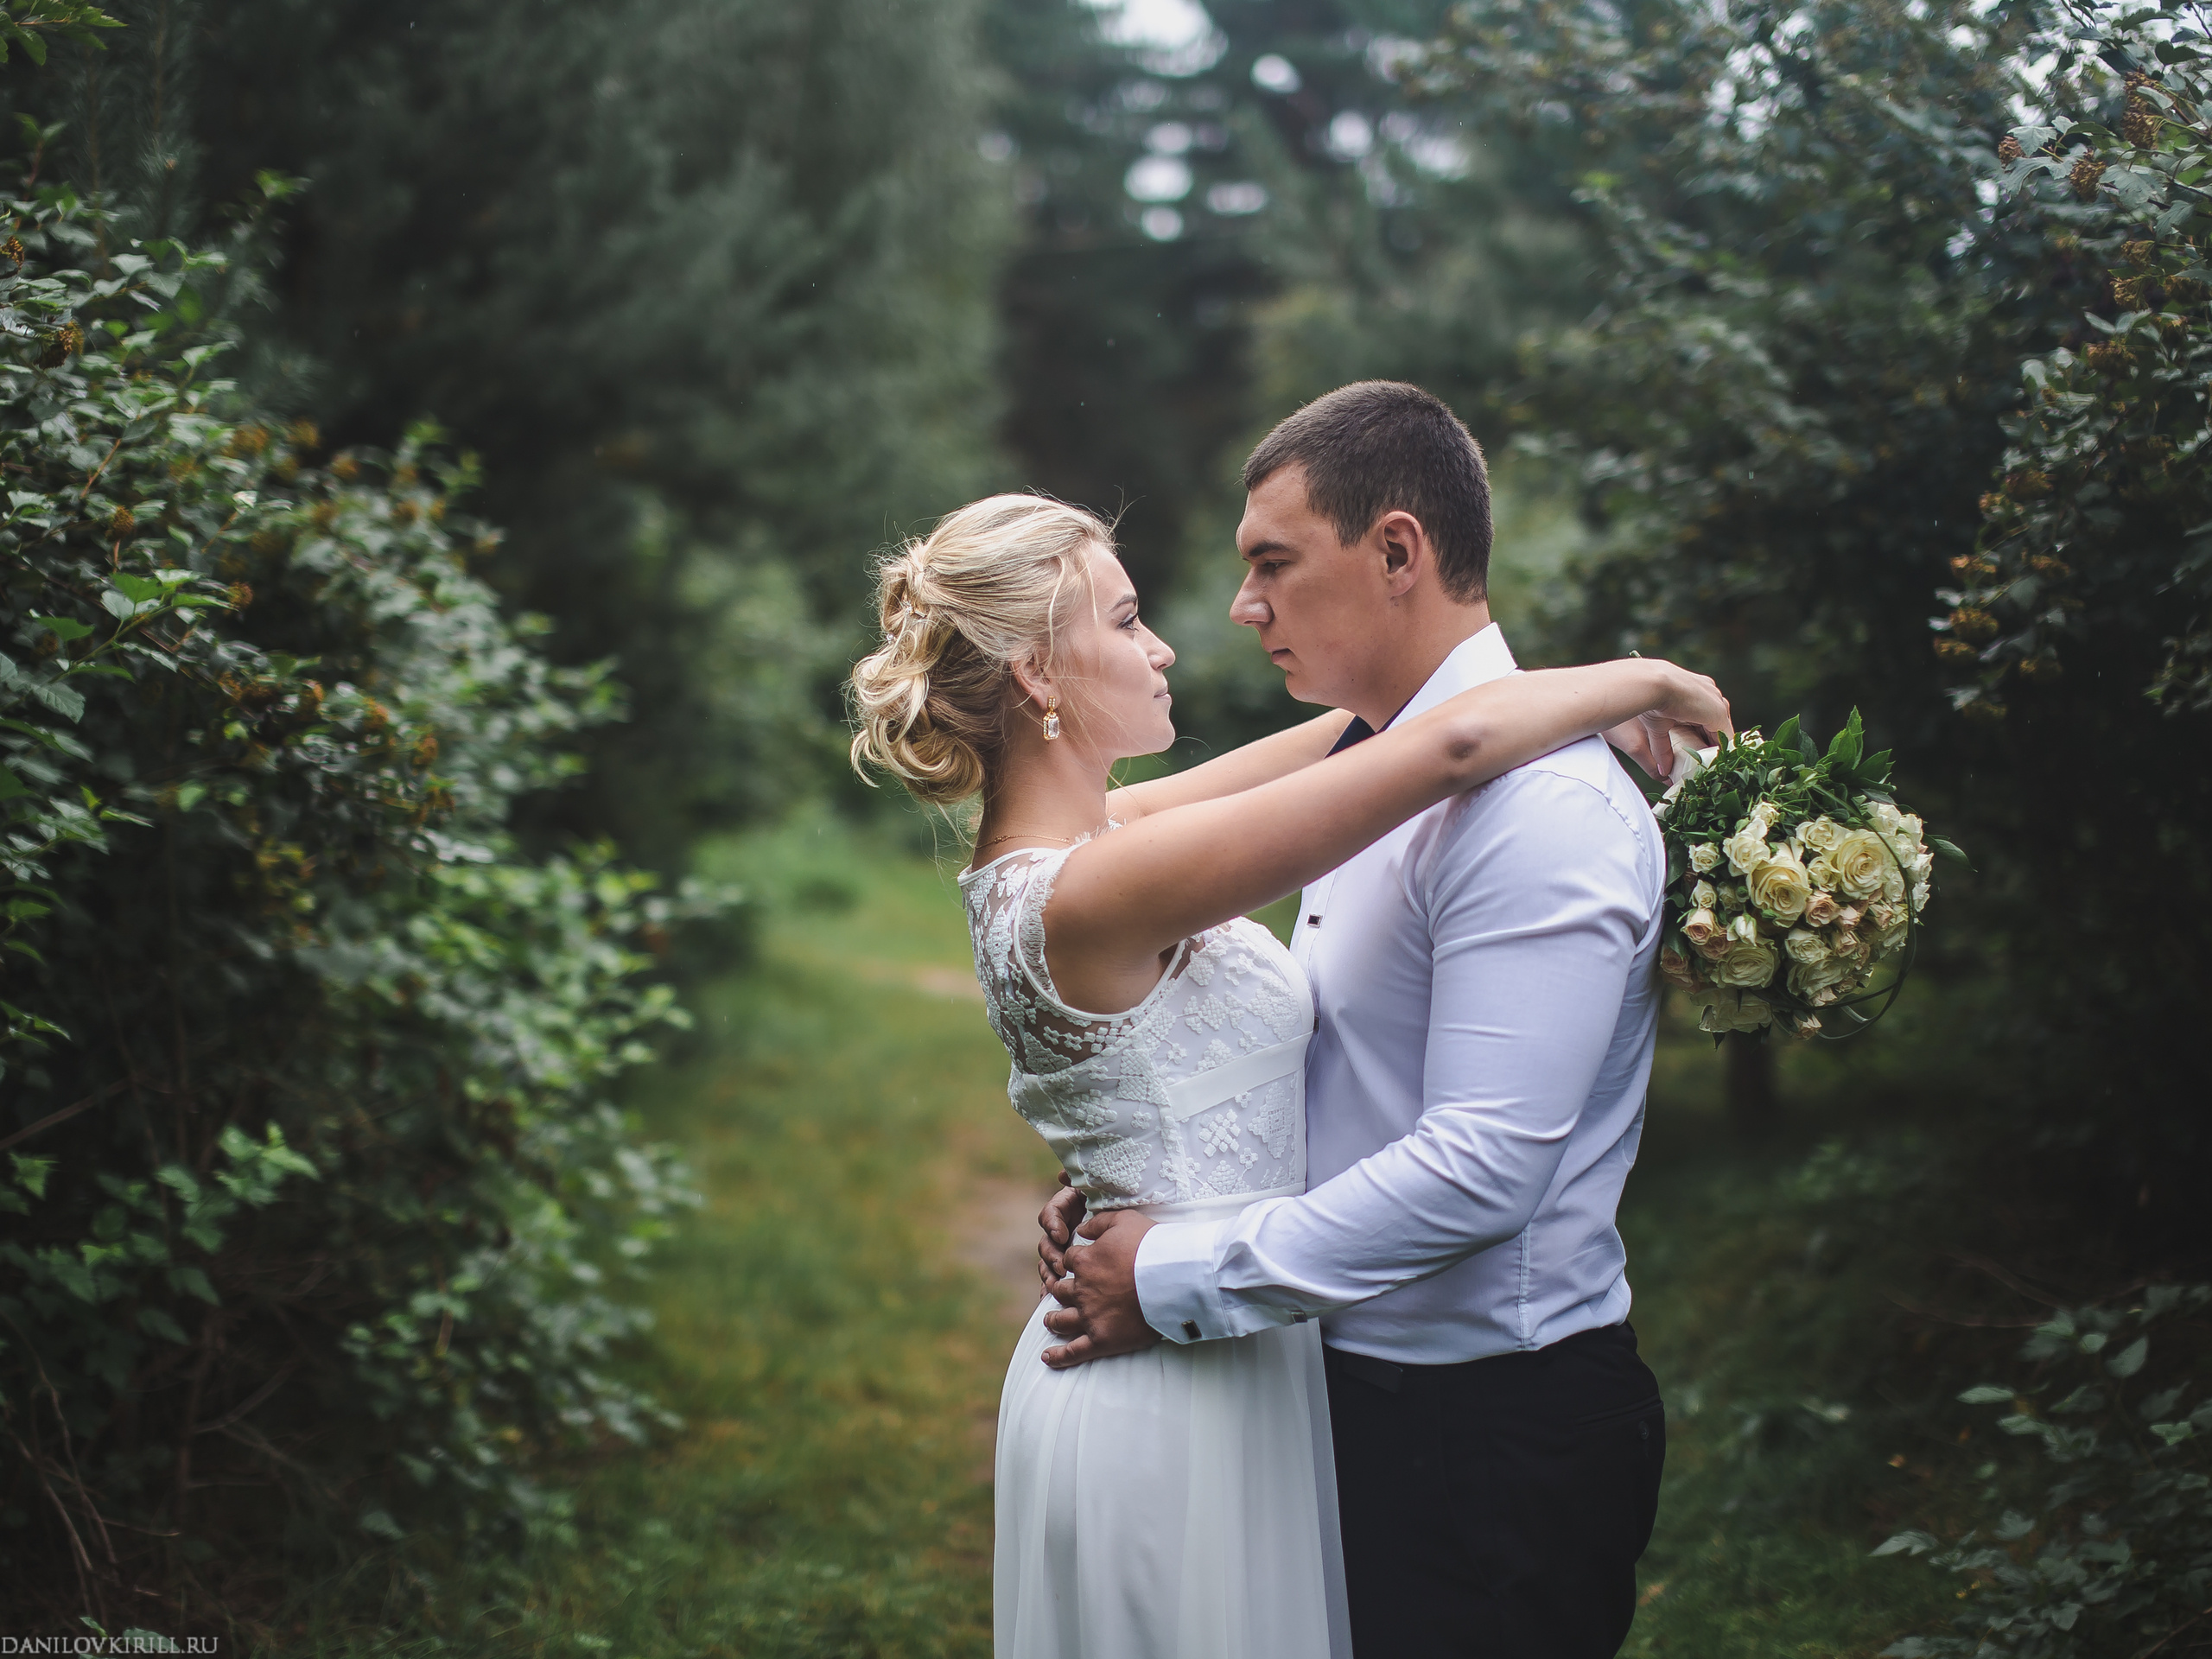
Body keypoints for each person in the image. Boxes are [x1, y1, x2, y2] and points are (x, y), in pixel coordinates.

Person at [847, 403, 1726, 1658]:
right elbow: (1444, 740)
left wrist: (1144, 1196)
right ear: (1035, 676)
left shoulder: (1146, 833)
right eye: (1127, 618)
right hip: (1238, 1385)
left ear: (1398, 552)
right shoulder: (1100, 869)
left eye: (1268, 564)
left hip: (1450, 1417)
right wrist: (1645, 678)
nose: (1203, 627)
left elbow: (1409, 740)